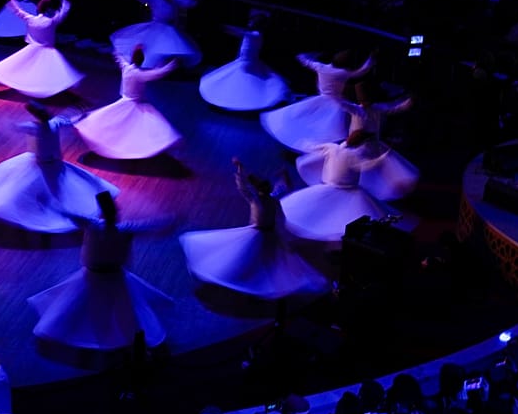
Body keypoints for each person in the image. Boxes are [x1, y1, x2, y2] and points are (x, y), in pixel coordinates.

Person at [28, 192, 174, 351]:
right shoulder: (110, 227)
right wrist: (170, 221)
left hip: (104, 276)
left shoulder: (101, 226)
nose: (114, 214)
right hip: (101, 276)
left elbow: (69, 214)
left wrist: (50, 204)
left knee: (110, 311)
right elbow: (153, 227)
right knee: (119, 312)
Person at [179, 158, 328, 300]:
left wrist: (283, 234)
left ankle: (258, 280)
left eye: (266, 187)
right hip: (258, 233)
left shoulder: (273, 200)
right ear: (259, 189)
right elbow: (243, 187)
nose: (266, 189)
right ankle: (243, 277)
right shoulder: (255, 199)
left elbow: (280, 209)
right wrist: (239, 169)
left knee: (267, 261)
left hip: (269, 234)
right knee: (248, 258)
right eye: (263, 188)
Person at [0, 103, 120, 234]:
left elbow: (67, 119)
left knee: (50, 192)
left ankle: (50, 212)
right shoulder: (47, 124)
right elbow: (67, 119)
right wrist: (80, 114)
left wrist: (81, 115)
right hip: (47, 165)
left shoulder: (41, 126)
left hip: (50, 165)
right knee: (47, 191)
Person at [294, 84, 417, 200]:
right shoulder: (357, 109)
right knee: (358, 169)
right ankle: (350, 188)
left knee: (373, 172)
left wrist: (408, 102)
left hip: (372, 145)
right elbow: (342, 104)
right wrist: (332, 93)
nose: (365, 103)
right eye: (363, 100)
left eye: (367, 100)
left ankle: (380, 193)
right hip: (358, 146)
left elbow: (394, 108)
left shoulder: (378, 108)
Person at [280, 130, 394, 242]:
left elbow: (316, 147)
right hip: (346, 189)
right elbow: (366, 165)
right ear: (360, 144)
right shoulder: (352, 155)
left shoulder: (333, 147)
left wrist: (305, 143)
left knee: (324, 209)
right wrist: (383, 158)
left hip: (333, 185)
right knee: (348, 214)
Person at [73, 47, 181, 160]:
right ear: (142, 60)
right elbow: (158, 73)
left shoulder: (126, 67)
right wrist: (172, 64)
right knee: (144, 124)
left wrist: (116, 49)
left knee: (125, 125)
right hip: (133, 104)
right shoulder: (139, 74)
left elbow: (120, 59)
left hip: (125, 101)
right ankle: (132, 148)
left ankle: (129, 145)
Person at [260, 50, 374, 152]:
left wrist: (312, 54)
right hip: (335, 102)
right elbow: (361, 72)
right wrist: (371, 59)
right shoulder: (341, 73)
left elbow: (304, 60)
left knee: (311, 119)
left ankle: (300, 137)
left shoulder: (321, 66)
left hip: (322, 98)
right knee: (325, 126)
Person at [0, 0, 85, 99]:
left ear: (38, 8)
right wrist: (65, 1)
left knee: (29, 69)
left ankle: (34, 87)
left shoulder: (31, 19)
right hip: (48, 51)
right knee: (46, 72)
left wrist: (11, 0)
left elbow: (18, 11)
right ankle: (43, 88)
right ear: (49, 9)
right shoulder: (51, 21)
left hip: (32, 49)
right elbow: (63, 13)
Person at [198, 13, 290, 112]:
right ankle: (232, 102)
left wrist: (229, 28)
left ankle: (241, 103)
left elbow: (242, 33)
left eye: (252, 21)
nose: (250, 23)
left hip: (249, 64)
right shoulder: (252, 34)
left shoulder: (256, 34)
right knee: (236, 84)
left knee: (243, 84)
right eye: (250, 21)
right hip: (243, 62)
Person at [109, 0, 201, 68]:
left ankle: (165, 66)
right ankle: (152, 65)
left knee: (169, 47)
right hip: (157, 27)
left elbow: (190, 2)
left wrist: (196, 0)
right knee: (154, 46)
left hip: (170, 28)